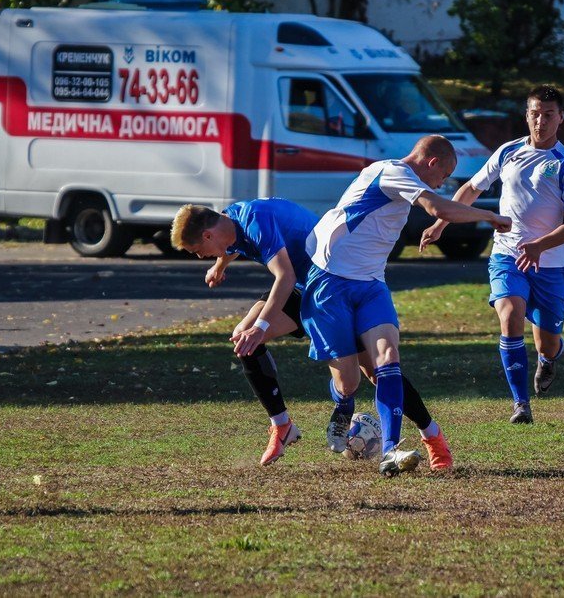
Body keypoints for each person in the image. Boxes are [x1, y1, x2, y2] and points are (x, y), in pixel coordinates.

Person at [171, 198, 457, 472]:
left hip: (335, 285)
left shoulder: (256, 220)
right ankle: (282, 425)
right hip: (307, 288)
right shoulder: (230, 220)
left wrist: (262, 327)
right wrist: (220, 265)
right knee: (243, 338)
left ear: (208, 235)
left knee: (373, 372)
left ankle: (432, 436)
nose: (200, 257)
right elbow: (236, 245)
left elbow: (285, 276)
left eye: (197, 250)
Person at [302, 135, 512, 476]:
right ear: (432, 163)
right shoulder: (391, 172)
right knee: (349, 383)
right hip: (330, 283)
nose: (441, 183)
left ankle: (391, 450)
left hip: (371, 285)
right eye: (444, 176)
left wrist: (440, 226)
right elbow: (438, 206)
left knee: (388, 359)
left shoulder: (400, 179)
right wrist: (489, 215)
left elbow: (438, 208)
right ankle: (343, 404)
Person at [420, 85, 564, 425]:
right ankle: (520, 404)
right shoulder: (508, 151)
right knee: (510, 315)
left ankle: (549, 358)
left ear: (561, 118)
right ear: (526, 115)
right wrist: (441, 223)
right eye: (535, 114)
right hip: (507, 254)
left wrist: (539, 246)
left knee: (547, 343)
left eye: (548, 115)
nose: (540, 122)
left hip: (550, 264)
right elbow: (472, 188)